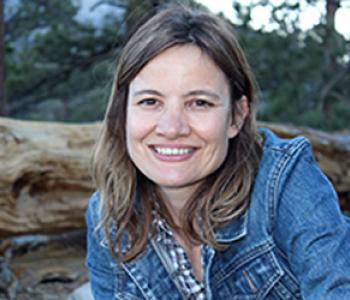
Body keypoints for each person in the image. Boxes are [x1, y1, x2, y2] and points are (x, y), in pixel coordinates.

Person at [86, 4, 350, 299]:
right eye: (150, 101)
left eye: (199, 103)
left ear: (237, 116)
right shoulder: (109, 217)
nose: (172, 128)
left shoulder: (284, 183)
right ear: (123, 113)